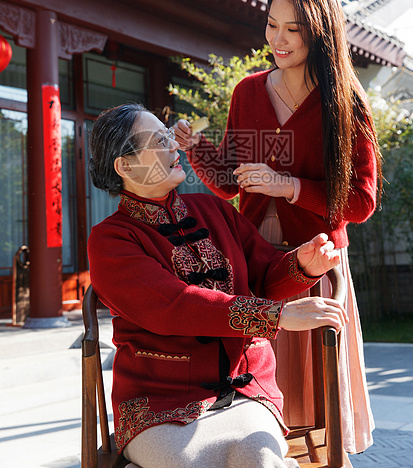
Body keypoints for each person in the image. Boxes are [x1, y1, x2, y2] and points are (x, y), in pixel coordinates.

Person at [174, 0, 381, 455]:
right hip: (257, 267)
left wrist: (289, 186)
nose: (278, 40)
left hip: (316, 267)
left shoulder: (345, 103)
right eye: (272, 25)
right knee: (261, 413)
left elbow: (361, 201)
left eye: (294, 29)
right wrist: (196, 148)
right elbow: (229, 182)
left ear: (320, 31)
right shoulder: (247, 93)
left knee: (318, 415)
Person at [87, 102, 348, 468]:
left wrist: (303, 264)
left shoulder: (216, 210)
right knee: (193, 463)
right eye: (159, 140)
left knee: (259, 458)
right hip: (157, 401)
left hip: (245, 387)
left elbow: (264, 275)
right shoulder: (111, 240)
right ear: (125, 166)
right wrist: (275, 317)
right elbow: (174, 305)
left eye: (169, 137)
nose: (175, 146)